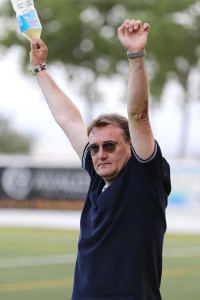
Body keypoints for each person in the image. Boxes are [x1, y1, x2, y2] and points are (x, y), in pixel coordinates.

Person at [30, 19, 171, 300]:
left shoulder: (144, 178)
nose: (100, 154)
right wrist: (39, 68)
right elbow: (69, 120)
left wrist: (135, 55)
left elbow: (139, 117)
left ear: (131, 146)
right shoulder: (98, 176)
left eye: (109, 145)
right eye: (94, 148)